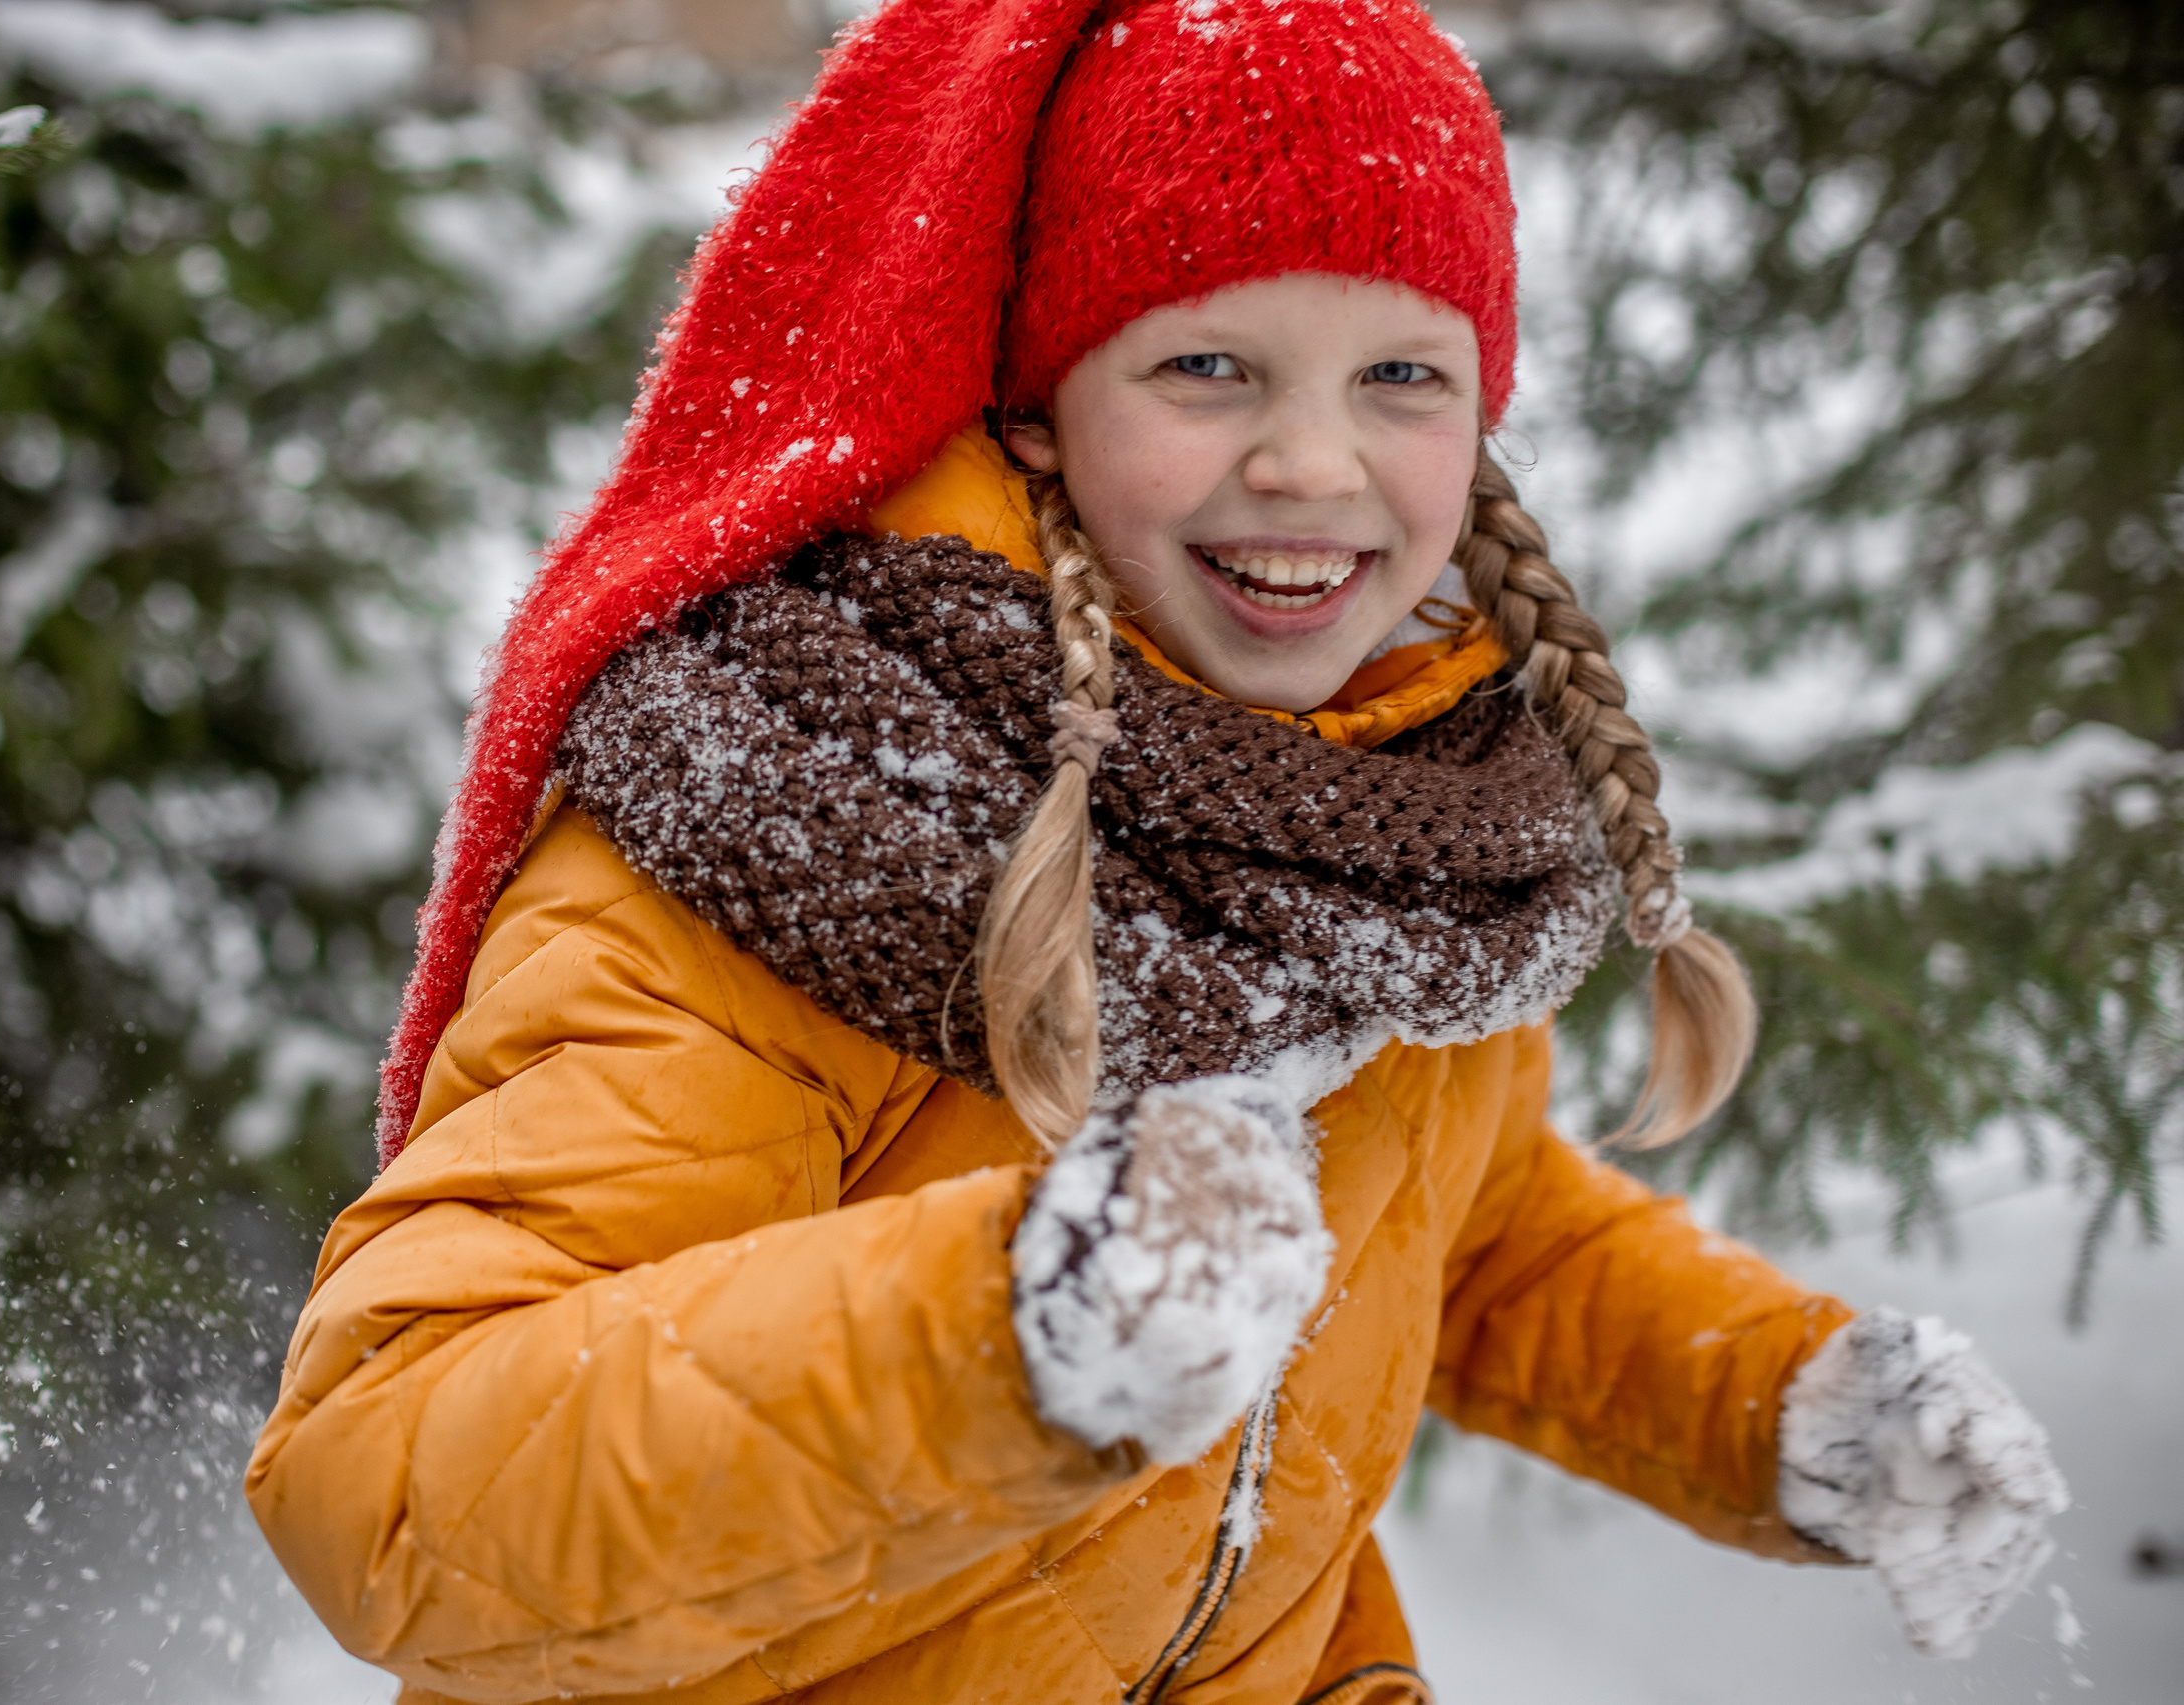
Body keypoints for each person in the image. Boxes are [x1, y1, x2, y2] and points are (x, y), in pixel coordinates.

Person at [245, 1, 2069, 1699]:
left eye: (1400, 377)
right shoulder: (796, 808)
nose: (1309, 463)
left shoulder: (1400, 808)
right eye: (1209, 364)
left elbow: (1471, 1225)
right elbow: (390, 1470)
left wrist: (1781, 1408)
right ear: (1039, 403)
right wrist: (1002, 1335)